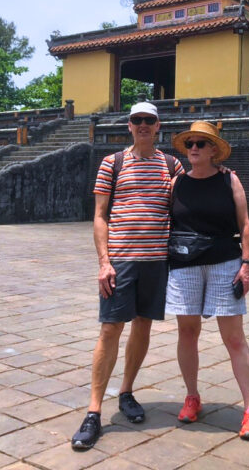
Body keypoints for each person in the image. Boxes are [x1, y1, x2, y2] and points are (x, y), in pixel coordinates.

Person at [72, 101, 183, 451]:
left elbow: (189, 200)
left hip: (156, 262)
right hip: (120, 261)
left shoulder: (171, 164)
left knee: (143, 326)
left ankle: (126, 392)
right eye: (137, 121)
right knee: (110, 329)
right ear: (129, 126)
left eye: (149, 120)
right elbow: (100, 215)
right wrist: (104, 262)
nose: (144, 126)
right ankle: (93, 411)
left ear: (158, 126)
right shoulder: (113, 163)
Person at [165, 120, 249, 440]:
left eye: (201, 144)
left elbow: (244, 224)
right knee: (187, 331)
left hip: (224, 261)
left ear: (213, 150)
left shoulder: (229, 180)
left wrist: (245, 265)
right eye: (190, 143)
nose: (194, 148)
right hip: (185, 264)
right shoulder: (176, 183)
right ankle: (192, 396)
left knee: (233, 337)